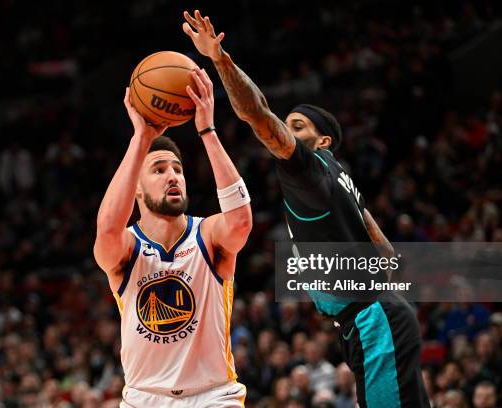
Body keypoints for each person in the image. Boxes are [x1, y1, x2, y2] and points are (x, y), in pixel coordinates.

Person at [183, 9, 429, 407]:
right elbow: (384, 251)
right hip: (382, 315)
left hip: (374, 320)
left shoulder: (310, 170)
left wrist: (219, 58)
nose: (286, 131)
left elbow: (256, 113)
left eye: (297, 126)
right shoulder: (343, 180)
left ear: (324, 141)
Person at [94, 67, 252, 407]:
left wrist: (207, 131)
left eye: (177, 169)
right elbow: (106, 229)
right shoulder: (126, 248)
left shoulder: (207, 234)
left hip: (214, 396)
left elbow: (240, 222)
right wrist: (141, 140)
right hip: (143, 398)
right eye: (159, 169)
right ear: (135, 188)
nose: (173, 176)